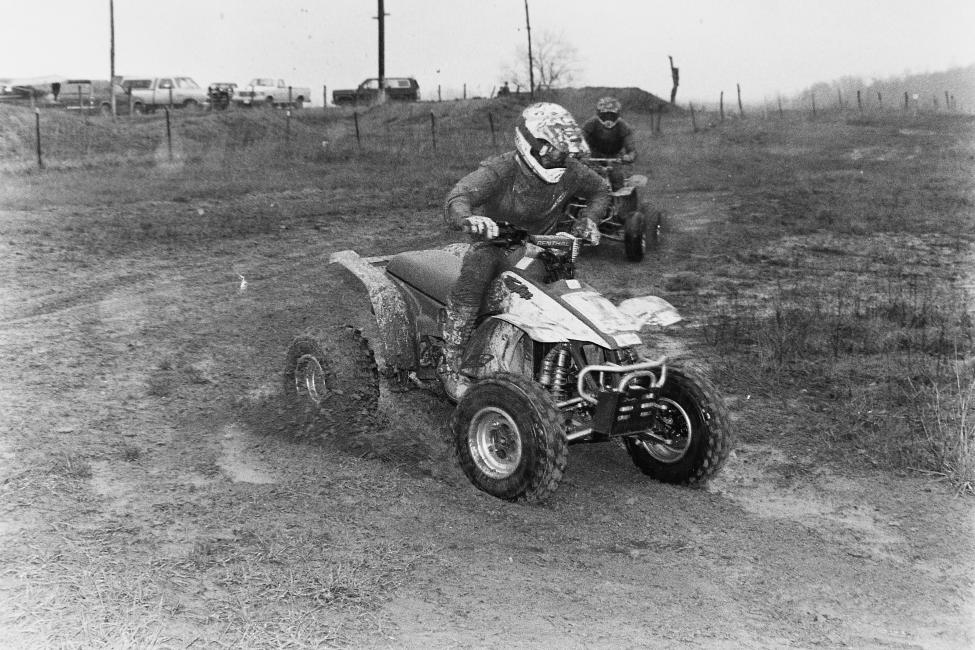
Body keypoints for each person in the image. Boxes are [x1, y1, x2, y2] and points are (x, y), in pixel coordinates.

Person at [440, 102, 610, 400]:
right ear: (533, 144)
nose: (561, 158)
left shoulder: (570, 171)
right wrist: (471, 218)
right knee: (474, 277)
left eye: (564, 152)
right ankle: (451, 361)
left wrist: (589, 220)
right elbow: (459, 195)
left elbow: (601, 190)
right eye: (555, 151)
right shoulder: (502, 168)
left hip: (545, 248)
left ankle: (570, 364)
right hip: (496, 245)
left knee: (569, 295)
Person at [580, 96, 637, 190]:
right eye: (605, 115)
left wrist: (629, 156)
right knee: (585, 179)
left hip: (615, 157)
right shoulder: (591, 123)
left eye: (612, 115)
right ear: (599, 114)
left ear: (617, 115)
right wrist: (579, 152)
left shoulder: (623, 126)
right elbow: (580, 139)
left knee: (617, 179)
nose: (608, 119)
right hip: (593, 156)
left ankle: (619, 202)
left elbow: (631, 149)